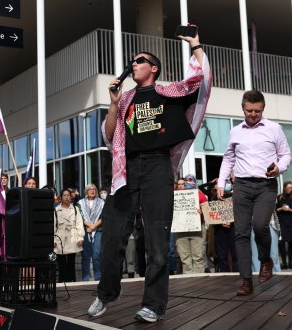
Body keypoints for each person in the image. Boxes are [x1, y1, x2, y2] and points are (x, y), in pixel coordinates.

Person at [88, 29, 210, 323]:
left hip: (157, 167)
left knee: (156, 239)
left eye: (139, 60)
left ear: (153, 68)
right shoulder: (126, 97)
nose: (133, 64)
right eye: (132, 61)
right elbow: (108, 134)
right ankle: (105, 294)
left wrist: (195, 45)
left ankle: (153, 305)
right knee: (113, 236)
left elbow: (201, 80)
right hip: (126, 169)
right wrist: (115, 102)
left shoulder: (169, 92)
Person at [217, 90, 292, 296]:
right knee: (240, 232)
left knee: (260, 226)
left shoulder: (274, 128)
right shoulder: (235, 132)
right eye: (249, 110)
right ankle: (246, 280)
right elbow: (228, 158)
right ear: (243, 108)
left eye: (257, 111)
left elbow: (286, 154)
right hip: (241, 185)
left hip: (266, 186)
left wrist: (279, 167)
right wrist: (221, 182)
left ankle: (265, 259)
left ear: (263, 109)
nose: (253, 114)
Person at [174, 175, 208, 274]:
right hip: (181, 229)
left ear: (195, 182)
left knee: (198, 256)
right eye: (186, 180)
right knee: (184, 257)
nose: (187, 182)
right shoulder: (176, 196)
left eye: (190, 180)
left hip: (197, 229)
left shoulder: (200, 195)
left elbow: (207, 211)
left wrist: (201, 211)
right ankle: (188, 278)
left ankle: (199, 279)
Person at [54, 188, 85, 282]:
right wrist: (53, 240)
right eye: (64, 195)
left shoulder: (75, 209)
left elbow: (79, 224)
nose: (67, 197)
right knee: (61, 262)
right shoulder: (56, 210)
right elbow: (53, 226)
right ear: (61, 197)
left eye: (68, 195)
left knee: (71, 261)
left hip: (72, 235)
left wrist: (80, 237)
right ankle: (62, 281)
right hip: (60, 236)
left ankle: (72, 281)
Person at [77, 184, 104, 281]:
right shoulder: (80, 202)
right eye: (90, 189)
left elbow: (104, 216)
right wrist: (89, 225)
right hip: (85, 231)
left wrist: (94, 226)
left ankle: (98, 278)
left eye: (94, 189)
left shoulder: (101, 202)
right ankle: (85, 278)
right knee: (86, 256)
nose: (92, 191)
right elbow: (79, 216)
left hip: (98, 231)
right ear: (86, 191)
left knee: (96, 255)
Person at [276, 182, 292, 269]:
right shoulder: (279, 197)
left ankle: (290, 263)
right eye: (288, 187)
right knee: (281, 243)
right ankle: (284, 263)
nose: (290, 189)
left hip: (291, 222)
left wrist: (289, 209)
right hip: (281, 222)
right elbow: (275, 210)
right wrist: (281, 208)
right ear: (284, 188)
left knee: (291, 242)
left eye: (291, 188)